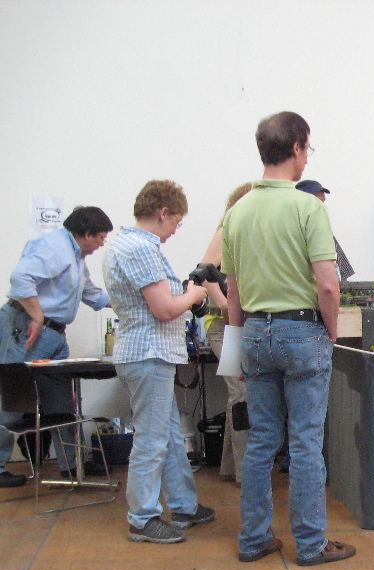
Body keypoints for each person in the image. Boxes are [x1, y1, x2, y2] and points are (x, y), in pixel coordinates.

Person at [222, 111, 356, 567]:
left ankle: (254, 538)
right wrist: (331, 331)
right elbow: (328, 285)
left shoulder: (237, 212)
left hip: (254, 333)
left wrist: (236, 349)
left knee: (261, 440)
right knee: (304, 442)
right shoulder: (308, 208)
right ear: (297, 146)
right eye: (307, 148)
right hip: (302, 331)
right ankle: (311, 543)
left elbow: (234, 292)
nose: (307, 157)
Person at [102, 180, 215, 544]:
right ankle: (142, 518)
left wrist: (185, 294)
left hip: (145, 353)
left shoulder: (124, 243)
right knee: (151, 441)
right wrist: (194, 294)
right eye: (176, 222)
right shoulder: (140, 248)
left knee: (167, 435)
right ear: (163, 213)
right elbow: (165, 309)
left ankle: (183, 505)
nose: (174, 231)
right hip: (148, 354)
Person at [0, 206, 114, 488]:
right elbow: (20, 279)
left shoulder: (76, 257)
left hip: (55, 336)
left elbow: (91, 294)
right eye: (101, 237)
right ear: (86, 233)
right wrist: (38, 316)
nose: (102, 244)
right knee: (11, 401)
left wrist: (132, 304)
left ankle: (71, 465)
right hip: (27, 329)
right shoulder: (54, 247)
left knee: (61, 403)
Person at [198, 182, 252, 485]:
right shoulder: (225, 231)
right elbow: (204, 272)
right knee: (241, 393)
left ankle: (232, 466)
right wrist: (224, 304)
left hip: (239, 323)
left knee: (239, 395)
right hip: (224, 326)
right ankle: (245, 472)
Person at [295, 179, 355, 285]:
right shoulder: (295, 226)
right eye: (318, 201)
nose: (323, 200)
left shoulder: (320, 226)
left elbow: (342, 269)